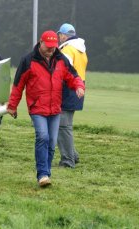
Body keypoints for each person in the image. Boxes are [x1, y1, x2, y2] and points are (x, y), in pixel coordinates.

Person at [7, 30, 85, 187]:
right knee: (43, 137)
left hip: (55, 108)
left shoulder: (61, 59)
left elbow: (73, 76)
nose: (51, 50)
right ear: (40, 43)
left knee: (51, 143)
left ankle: (46, 174)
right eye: (48, 46)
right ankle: (42, 174)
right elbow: (18, 85)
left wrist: (78, 86)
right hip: (37, 108)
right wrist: (12, 106)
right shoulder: (28, 60)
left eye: (54, 47)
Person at [57, 23, 88, 168]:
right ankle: (73, 155)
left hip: (68, 88)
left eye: (59, 35)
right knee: (66, 125)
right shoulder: (80, 49)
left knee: (63, 126)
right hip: (78, 86)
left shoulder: (67, 49)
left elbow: (63, 71)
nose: (59, 38)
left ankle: (68, 160)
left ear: (64, 35)